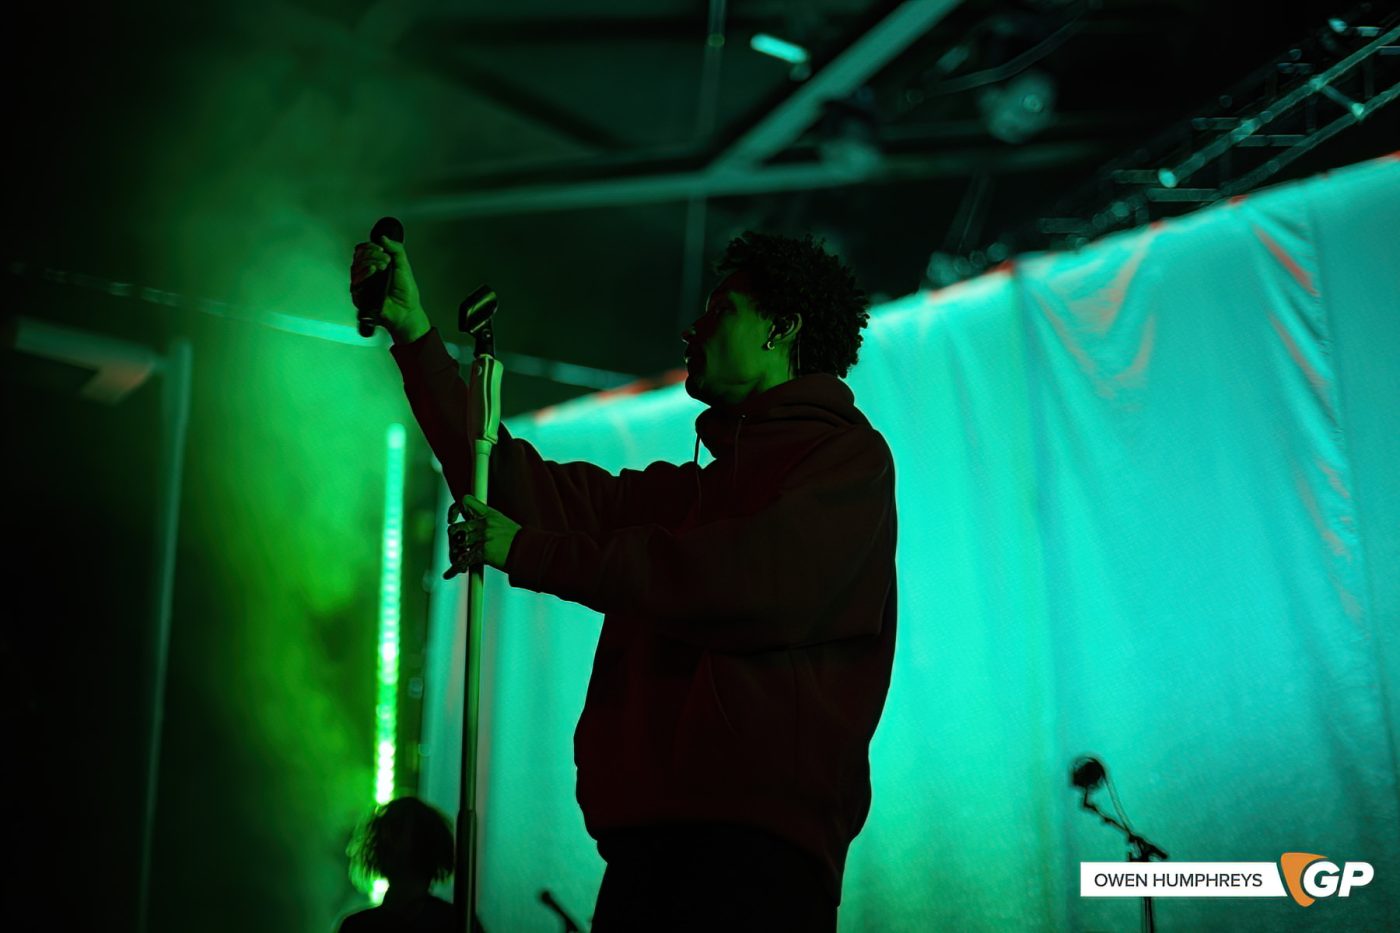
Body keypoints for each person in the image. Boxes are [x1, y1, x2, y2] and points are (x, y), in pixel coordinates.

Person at [350, 231, 898, 932]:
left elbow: (740, 580)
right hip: (645, 859)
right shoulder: (683, 498)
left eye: (721, 308)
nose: (692, 326)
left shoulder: (848, 462)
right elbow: (513, 488)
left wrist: (537, 553)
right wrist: (416, 338)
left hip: (759, 865)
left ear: (781, 329)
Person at [338, 796, 456, 933]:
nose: (385, 838)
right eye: (384, 829)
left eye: (396, 829)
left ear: (423, 844)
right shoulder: (455, 922)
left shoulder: (357, 927)